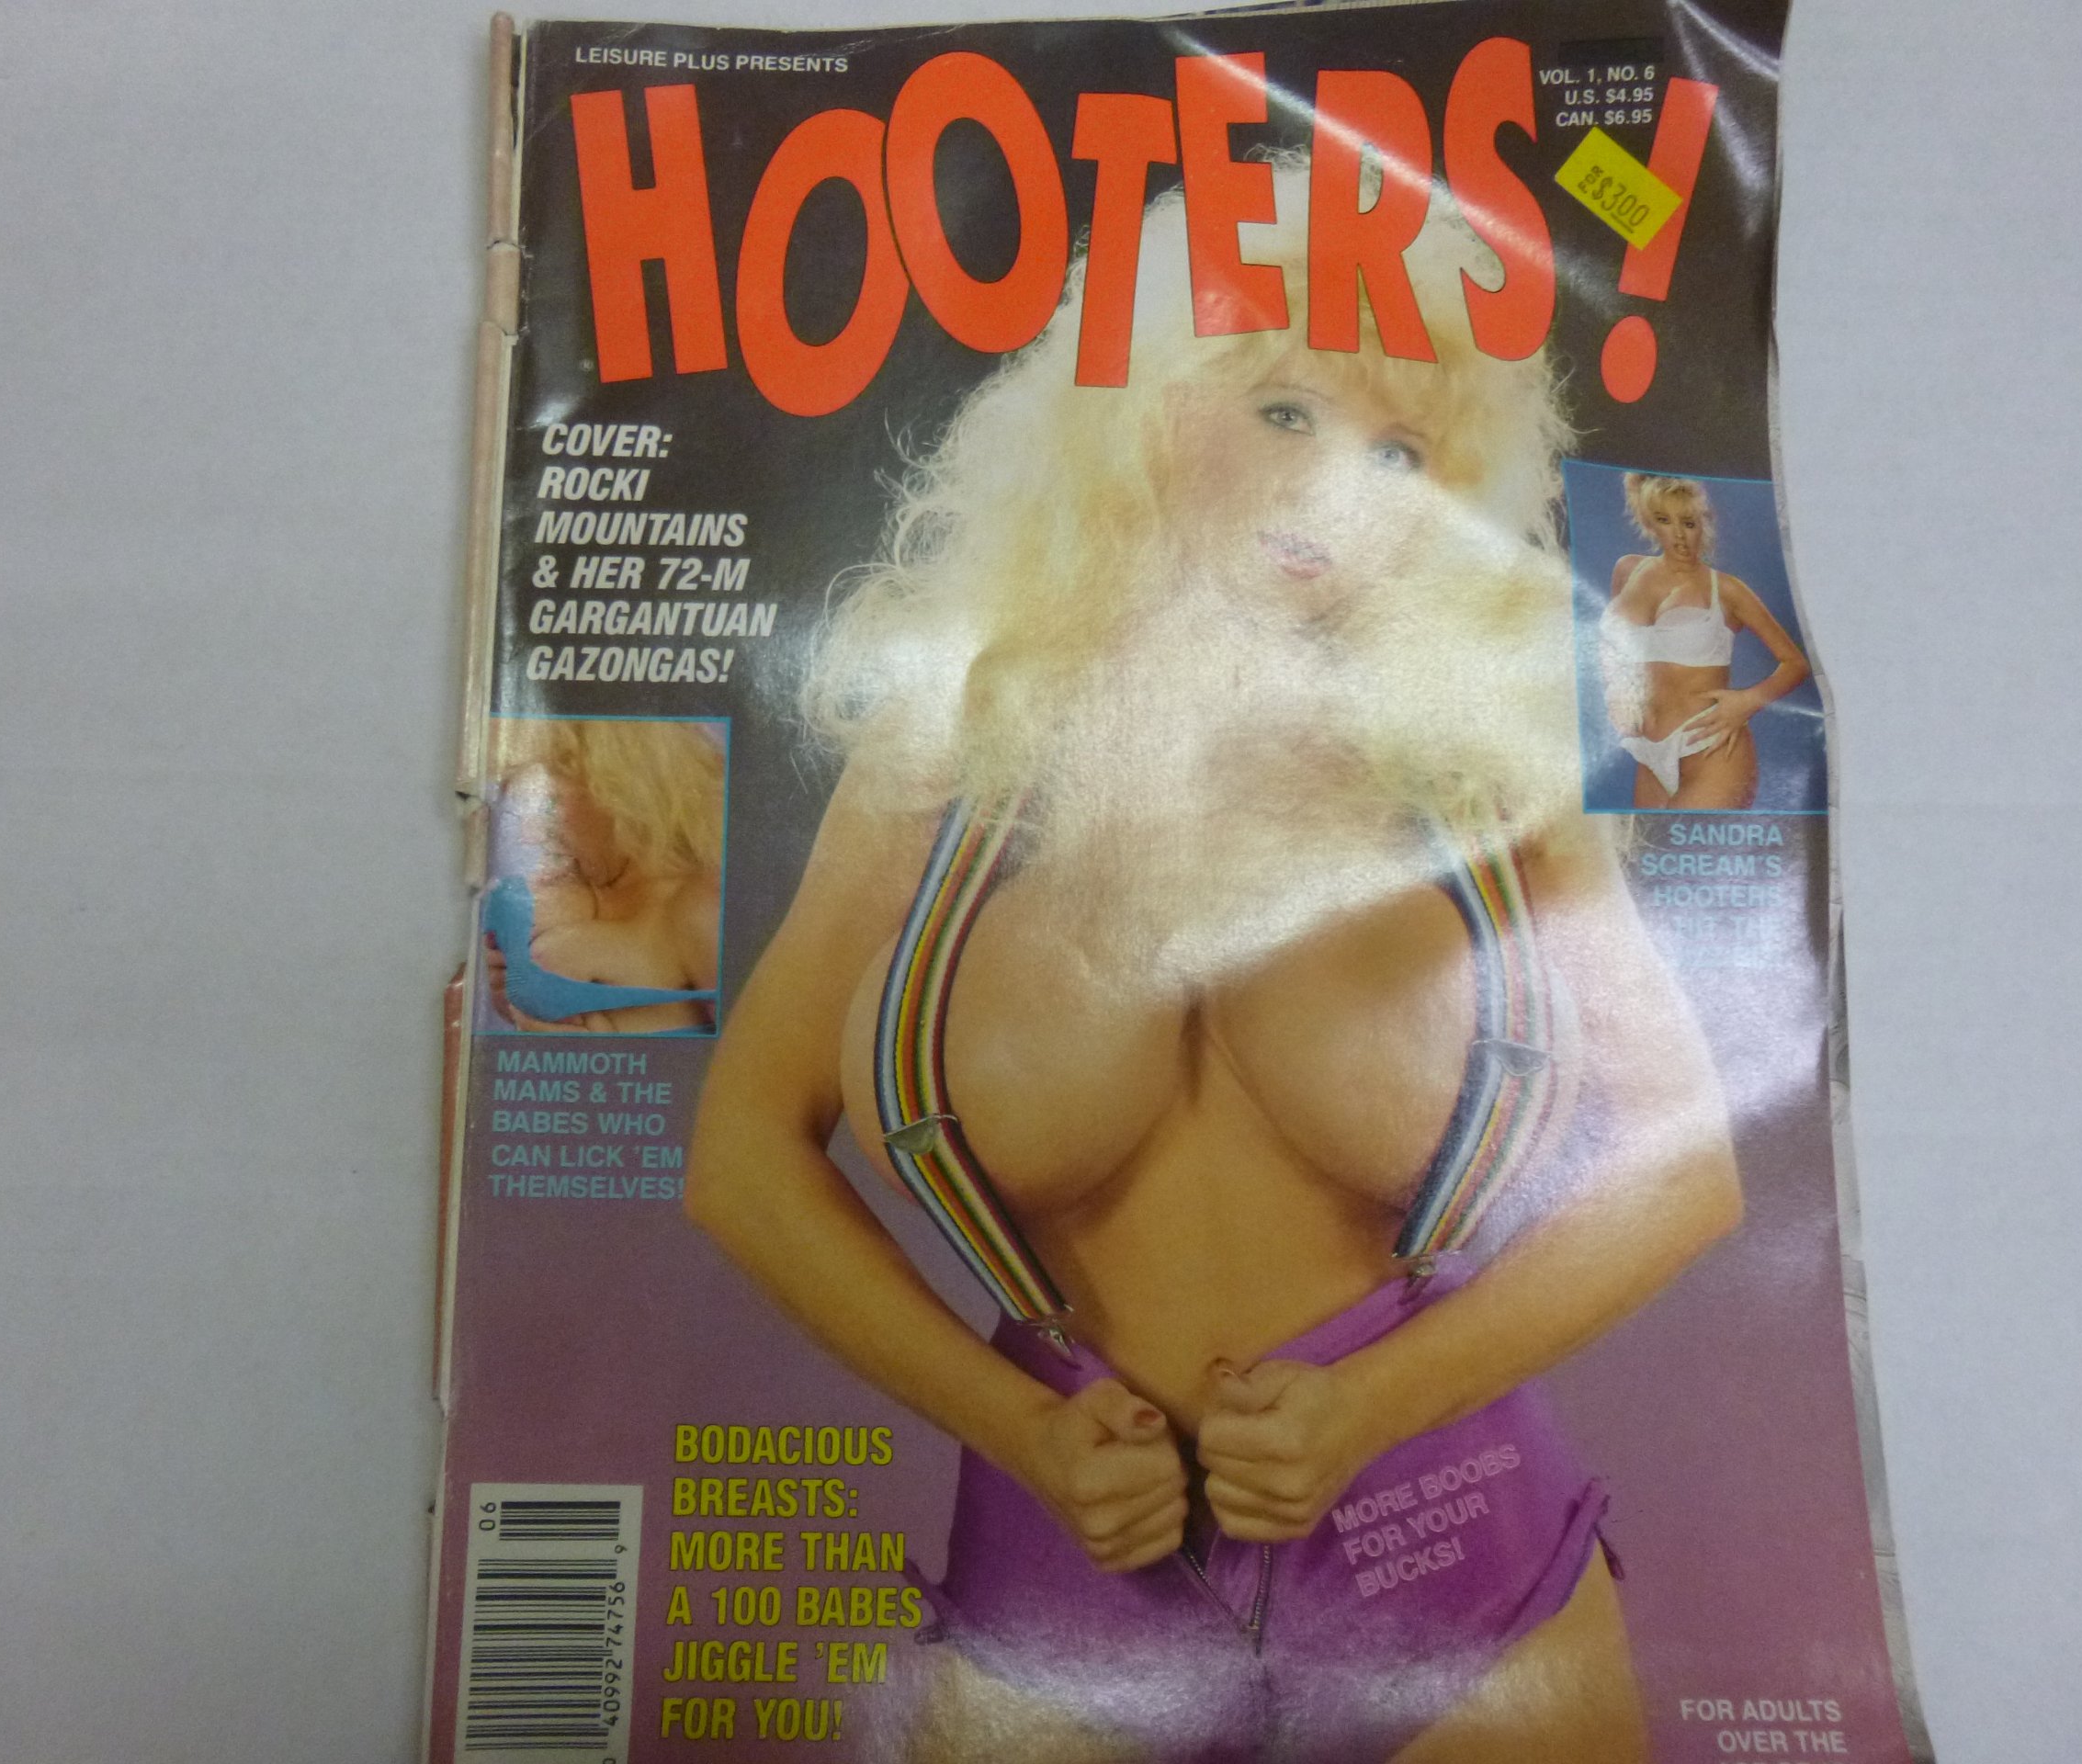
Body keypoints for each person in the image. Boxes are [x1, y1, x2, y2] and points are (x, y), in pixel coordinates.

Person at [688, 162, 1738, 1762]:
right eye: (1286, 411)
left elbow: (1690, 1171)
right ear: (1145, 410)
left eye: (1399, 451)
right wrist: (1020, 1428)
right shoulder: (951, 747)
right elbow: (743, 1156)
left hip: (1446, 1538)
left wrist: (1373, 1407)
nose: (1339, 486)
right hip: (1067, 1548)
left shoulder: (1493, 773)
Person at [482, 717, 723, 1035]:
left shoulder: (698, 907)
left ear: (619, 796)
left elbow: (756, 1055)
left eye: (551, 802)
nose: (533, 831)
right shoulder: (568, 893)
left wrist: (611, 1052)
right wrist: (510, 995)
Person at [1599, 475, 1808, 809]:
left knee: (1692, 842)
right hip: (1648, 752)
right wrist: (1618, 692)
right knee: (1644, 845)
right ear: (1649, 522)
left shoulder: (1726, 590)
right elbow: (1615, 645)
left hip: (1710, 749)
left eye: (1689, 523)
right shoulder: (1628, 571)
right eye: (1665, 521)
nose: (1679, 536)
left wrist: (1747, 701)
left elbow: (1795, 664)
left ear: (1704, 525)